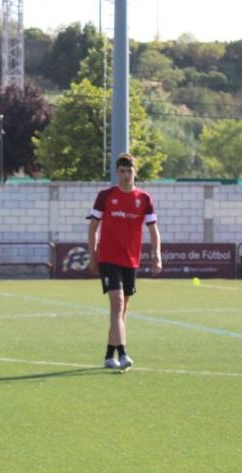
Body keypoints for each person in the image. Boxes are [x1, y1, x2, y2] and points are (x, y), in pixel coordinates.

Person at [87, 152, 162, 370]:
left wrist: (157, 254)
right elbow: (93, 228)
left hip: (131, 260)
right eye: (122, 171)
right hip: (108, 257)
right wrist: (93, 255)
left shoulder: (144, 199)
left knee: (122, 309)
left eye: (130, 171)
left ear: (134, 172)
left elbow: (154, 230)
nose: (126, 175)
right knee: (117, 303)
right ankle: (124, 353)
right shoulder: (105, 196)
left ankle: (109, 355)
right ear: (117, 173)